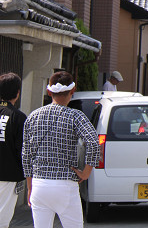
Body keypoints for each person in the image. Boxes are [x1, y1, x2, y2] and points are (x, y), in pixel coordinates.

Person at [22, 71, 100, 228]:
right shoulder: (75, 116)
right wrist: (86, 173)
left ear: (49, 91)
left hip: (39, 183)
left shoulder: (33, 116)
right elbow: (93, 143)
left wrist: (30, 187)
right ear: (73, 90)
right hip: (65, 184)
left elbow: (26, 154)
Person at [0, 73, 26, 228]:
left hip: (8, 175)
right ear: (17, 92)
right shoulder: (18, 117)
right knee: (2, 220)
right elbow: (22, 150)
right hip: (8, 175)